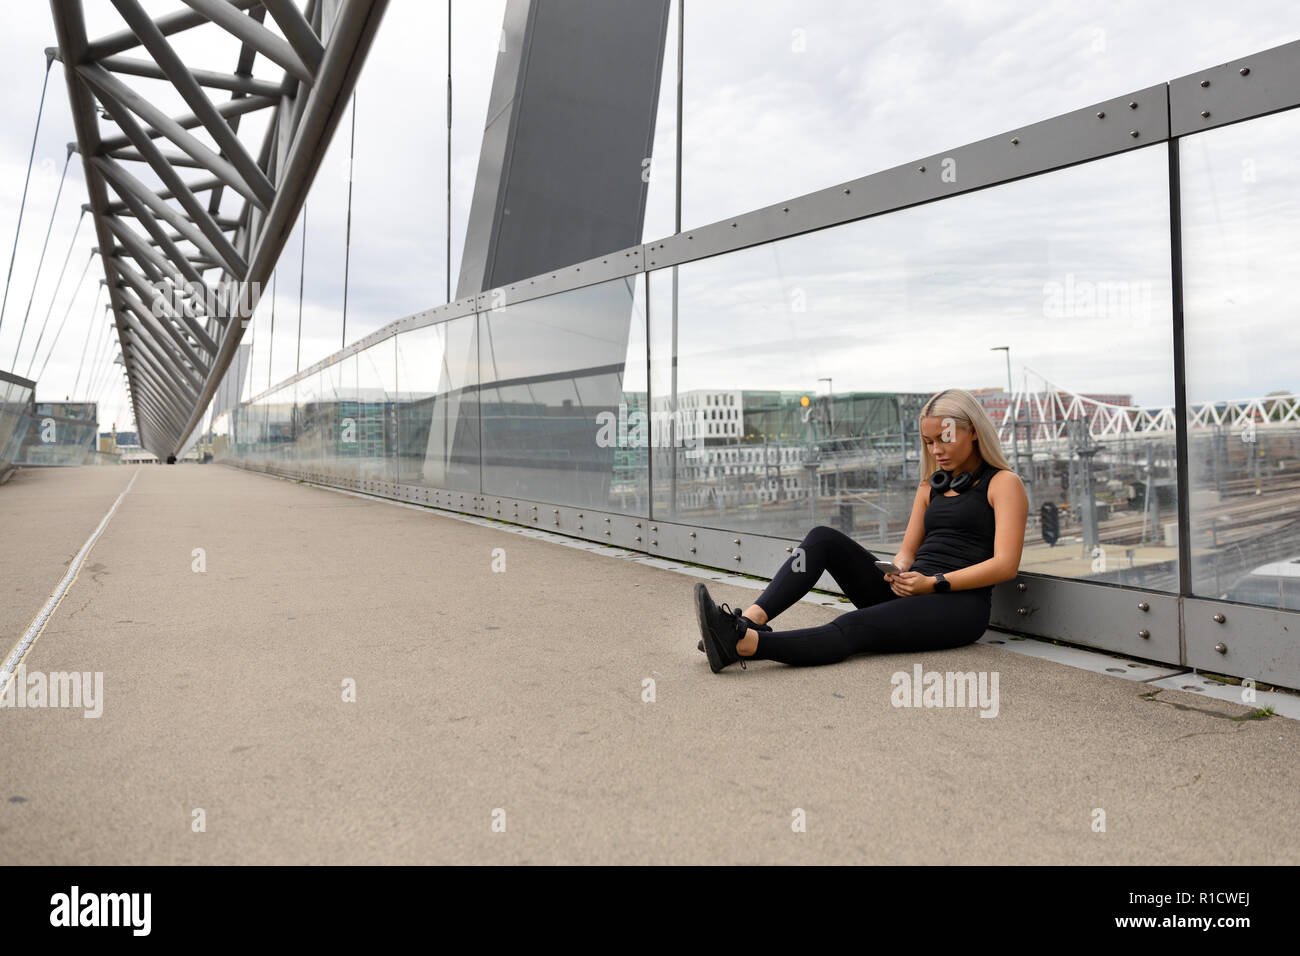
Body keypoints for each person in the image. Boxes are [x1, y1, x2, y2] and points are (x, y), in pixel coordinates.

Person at [694, 387, 1028, 672]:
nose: (935, 450)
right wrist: (899, 572)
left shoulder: (1003, 484)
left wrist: (934, 584)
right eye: (928, 442)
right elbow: (909, 550)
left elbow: (1005, 565)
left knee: (853, 627)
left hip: (957, 606)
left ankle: (744, 645)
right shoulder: (931, 486)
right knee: (822, 538)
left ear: (974, 431)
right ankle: (750, 621)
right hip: (913, 591)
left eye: (945, 439)